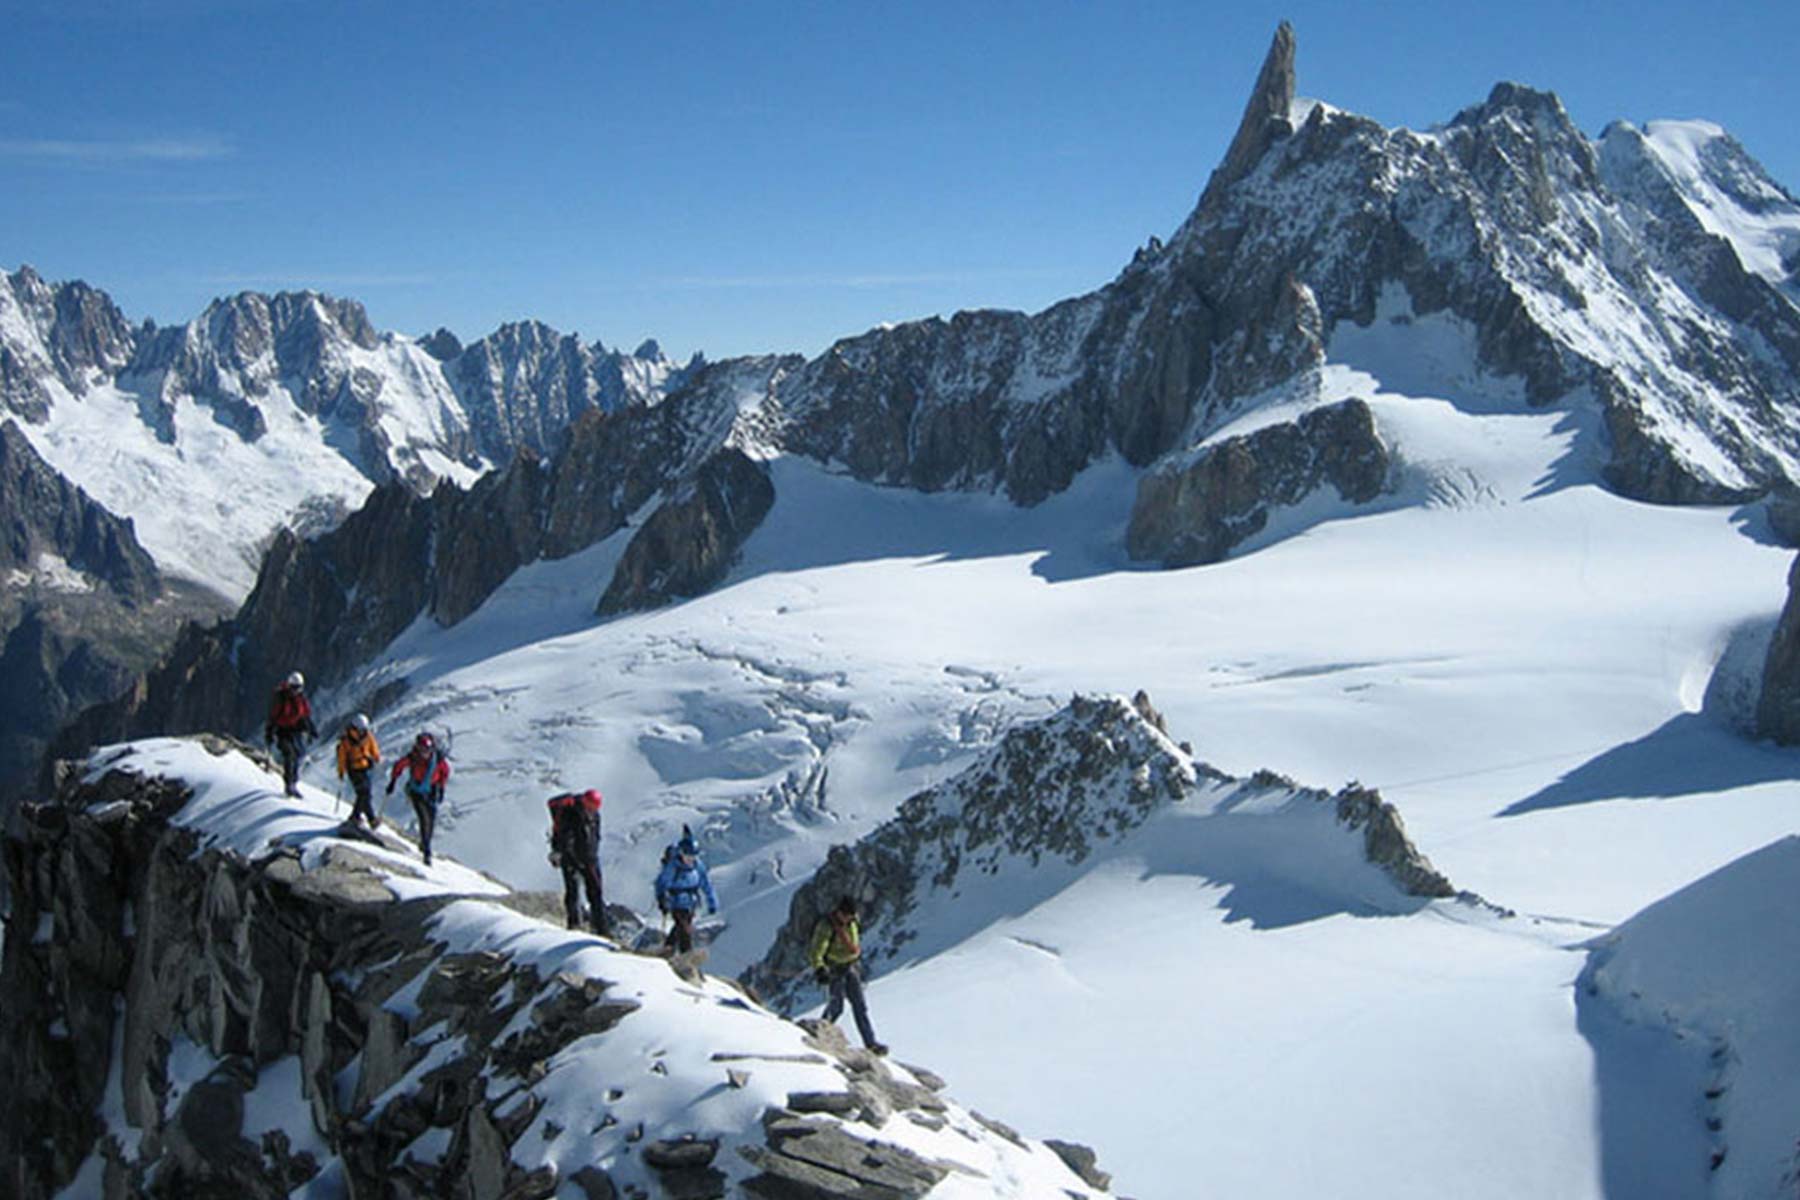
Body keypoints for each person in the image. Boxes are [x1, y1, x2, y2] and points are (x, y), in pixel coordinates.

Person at [808, 895, 886, 1055]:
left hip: (850, 967)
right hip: (834, 969)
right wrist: (820, 968)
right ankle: (819, 1033)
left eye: (851, 915)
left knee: (860, 1006)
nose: (849, 918)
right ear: (839, 912)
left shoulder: (852, 922)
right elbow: (817, 949)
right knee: (836, 1007)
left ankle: (870, 1043)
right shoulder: (827, 926)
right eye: (847, 915)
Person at [547, 789, 608, 936]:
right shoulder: (571, 814)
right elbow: (567, 839)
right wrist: (574, 859)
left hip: (588, 859)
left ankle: (597, 928)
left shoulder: (592, 815)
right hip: (574, 860)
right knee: (576, 892)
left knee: (593, 893)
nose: (594, 810)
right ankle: (577, 925)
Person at [386, 732, 450, 864]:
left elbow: (445, 772)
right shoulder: (414, 758)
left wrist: (441, 787)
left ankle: (425, 842)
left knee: (431, 819)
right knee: (424, 818)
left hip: (431, 791)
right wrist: (392, 781)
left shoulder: (437, 760)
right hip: (416, 792)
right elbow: (399, 766)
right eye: (421, 749)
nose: (424, 753)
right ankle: (427, 851)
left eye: (426, 749)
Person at [653, 826, 716, 955]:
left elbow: (706, 884)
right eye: (688, 856)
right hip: (676, 903)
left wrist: (712, 902)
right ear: (681, 853)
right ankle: (686, 955)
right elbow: (662, 883)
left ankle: (668, 949)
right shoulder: (673, 866)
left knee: (679, 929)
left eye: (693, 856)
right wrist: (662, 899)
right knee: (684, 930)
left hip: (691, 904)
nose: (690, 859)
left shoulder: (698, 866)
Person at [263, 670, 318, 798]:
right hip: (283, 731)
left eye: (298, 688)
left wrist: (311, 729)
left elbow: (305, 715)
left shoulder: (300, 699)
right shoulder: (281, 698)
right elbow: (272, 717)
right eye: (294, 688)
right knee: (289, 755)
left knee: (299, 756)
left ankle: (293, 782)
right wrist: (269, 733)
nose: (296, 690)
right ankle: (289, 784)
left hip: (295, 732)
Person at [335, 713, 382, 828]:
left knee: (365, 794)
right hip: (354, 769)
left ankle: (368, 819)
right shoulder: (346, 741)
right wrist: (341, 771)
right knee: (363, 793)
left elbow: (373, 747)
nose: (362, 732)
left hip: (365, 767)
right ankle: (358, 817)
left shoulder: (367, 736)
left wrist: (376, 757)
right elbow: (342, 758)